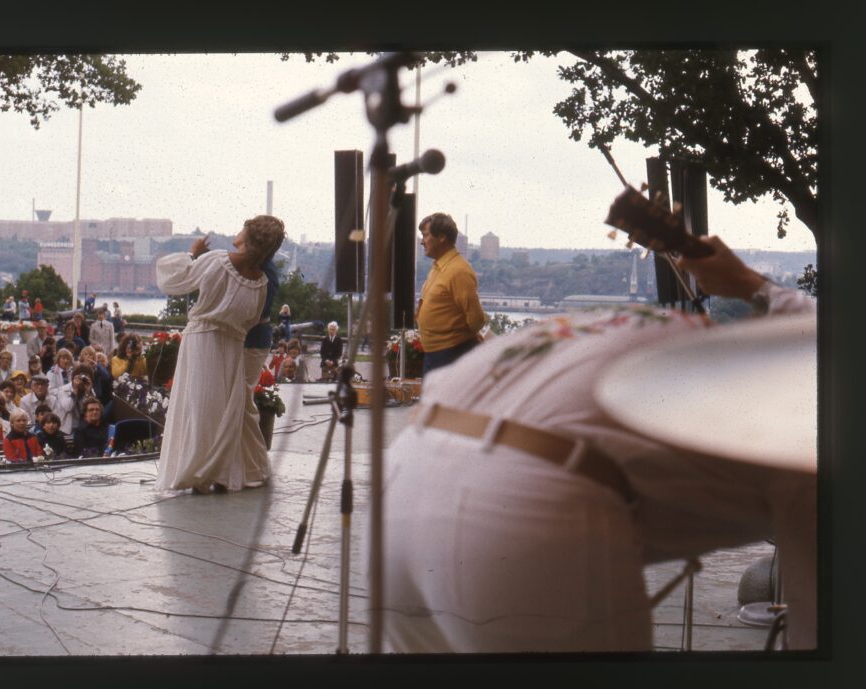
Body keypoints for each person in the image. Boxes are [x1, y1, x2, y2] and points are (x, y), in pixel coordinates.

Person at [379, 234, 817, 653]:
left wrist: (750, 284)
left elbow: (815, 325)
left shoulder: (676, 331)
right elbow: (817, 626)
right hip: (522, 503)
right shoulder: (814, 421)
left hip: (409, 472)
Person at [154, 214, 286, 494]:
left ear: (248, 238)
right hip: (232, 347)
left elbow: (176, 281)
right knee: (227, 408)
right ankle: (220, 470)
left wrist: (192, 254)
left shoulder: (216, 260)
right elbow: (250, 320)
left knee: (197, 406)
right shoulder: (261, 282)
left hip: (201, 340)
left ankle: (196, 470)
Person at [415, 212, 487, 379]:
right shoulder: (438, 268)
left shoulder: (458, 271)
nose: (422, 241)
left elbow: (476, 319)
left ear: (441, 237)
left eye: (426, 235)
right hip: (434, 355)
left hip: (451, 356)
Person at [239, 230, 285, 490]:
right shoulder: (262, 269)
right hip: (251, 341)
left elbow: (253, 314)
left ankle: (256, 463)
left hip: (253, 342)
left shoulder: (265, 273)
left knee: (244, 401)